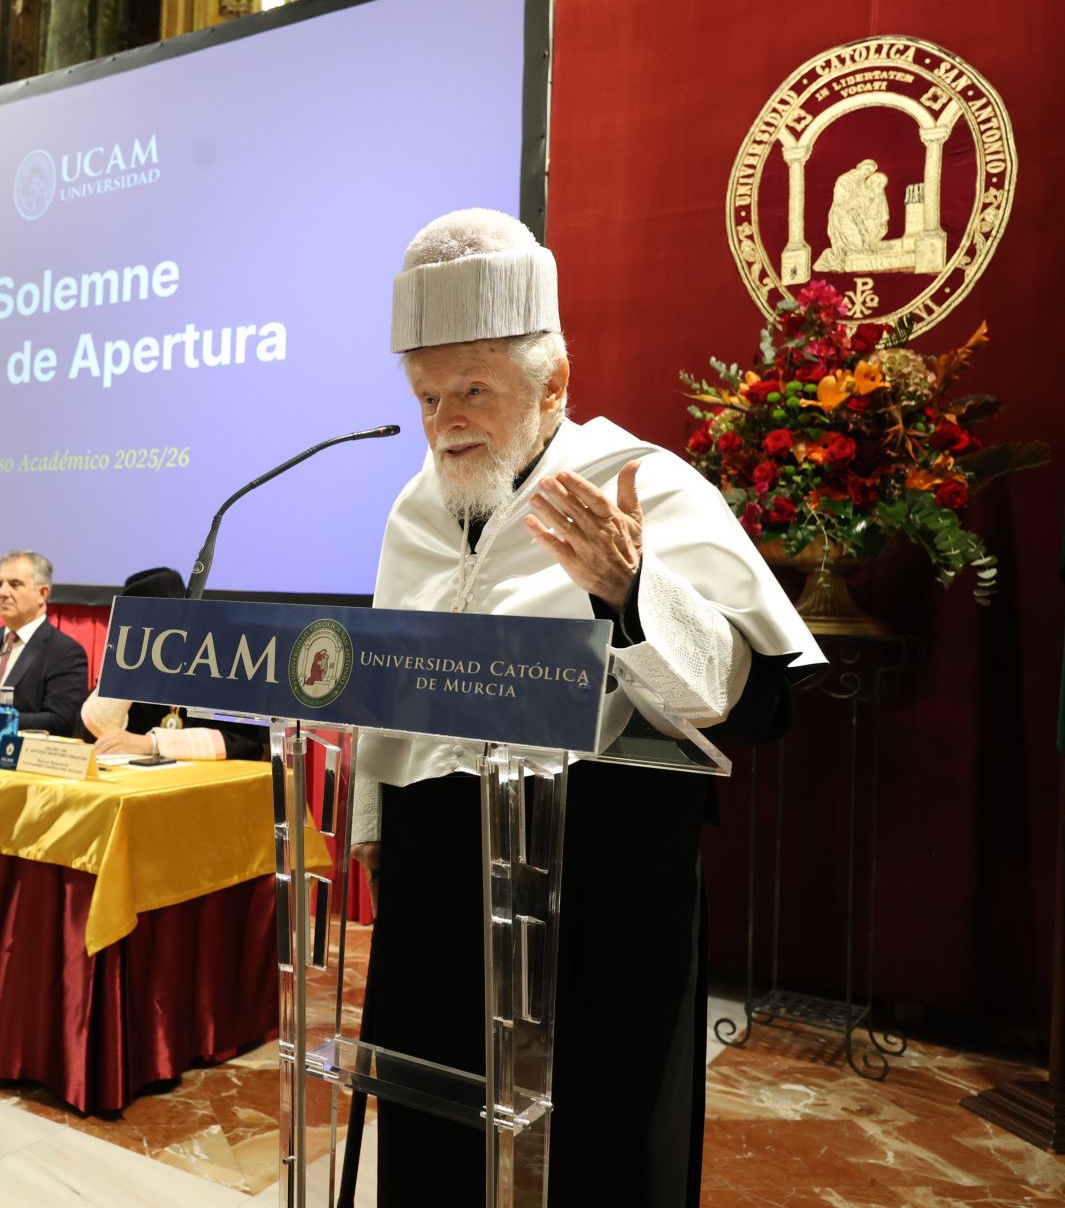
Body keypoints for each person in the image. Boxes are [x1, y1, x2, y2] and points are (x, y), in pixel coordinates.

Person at [349, 208, 824, 1207]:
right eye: (429, 396)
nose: (446, 423)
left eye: (473, 389)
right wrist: (372, 825)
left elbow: (752, 694)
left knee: (588, 1162)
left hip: (595, 897)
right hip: (439, 891)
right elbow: (386, 688)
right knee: (435, 1150)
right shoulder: (413, 510)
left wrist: (631, 589)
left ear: (554, 383)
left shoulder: (640, 483)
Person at [80, 567, 265, 760]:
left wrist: (153, 743)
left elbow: (242, 742)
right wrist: (127, 665)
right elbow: (94, 731)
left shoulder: (224, 660)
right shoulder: (139, 663)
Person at [0, 550, 89, 737]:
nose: (2, 592)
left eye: (14, 584)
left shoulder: (65, 652)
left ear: (42, 593)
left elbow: (61, 720)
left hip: (17, 755)